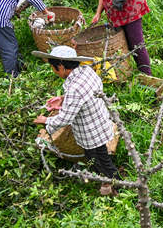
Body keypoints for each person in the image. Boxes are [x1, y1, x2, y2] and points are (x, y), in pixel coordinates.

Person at [32, 45, 119, 196]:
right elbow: (84, 95)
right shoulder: (87, 71)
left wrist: (45, 120)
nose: (53, 72)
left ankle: (115, 183)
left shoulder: (74, 89)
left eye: (53, 68)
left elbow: (65, 118)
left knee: (98, 159)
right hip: (99, 121)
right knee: (100, 155)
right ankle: (109, 178)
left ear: (60, 67)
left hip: (90, 132)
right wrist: (62, 99)